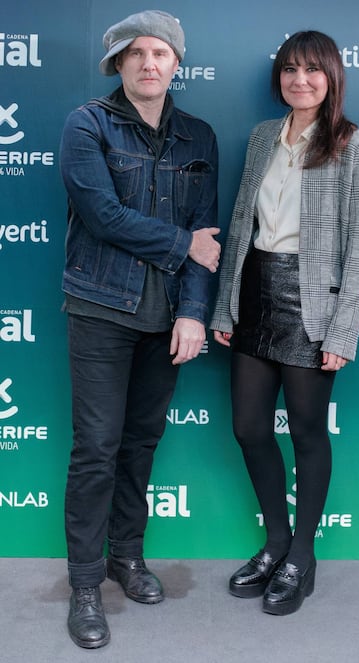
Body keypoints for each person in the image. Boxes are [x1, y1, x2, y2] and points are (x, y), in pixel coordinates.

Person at [60, 10, 220, 648]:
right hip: (101, 309)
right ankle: (83, 583)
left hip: (166, 320)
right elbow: (102, 215)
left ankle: (127, 557)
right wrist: (182, 244)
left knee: (139, 446)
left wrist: (192, 312)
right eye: (137, 54)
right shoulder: (87, 124)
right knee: (96, 448)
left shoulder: (199, 136)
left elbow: (209, 242)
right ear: (118, 64)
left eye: (161, 53)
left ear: (176, 63)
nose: (149, 63)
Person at [211, 30, 359, 616]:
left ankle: (302, 556)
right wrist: (225, 304)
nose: (299, 80)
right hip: (256, 291)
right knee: (249, 427)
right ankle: (275, 543)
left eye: (312, 71)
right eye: (289, 70)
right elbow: (239, 225)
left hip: (313, 304)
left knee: (306, 432)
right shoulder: (261, 137)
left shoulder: (352, 144)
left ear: (331, 77)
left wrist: (343, 331)